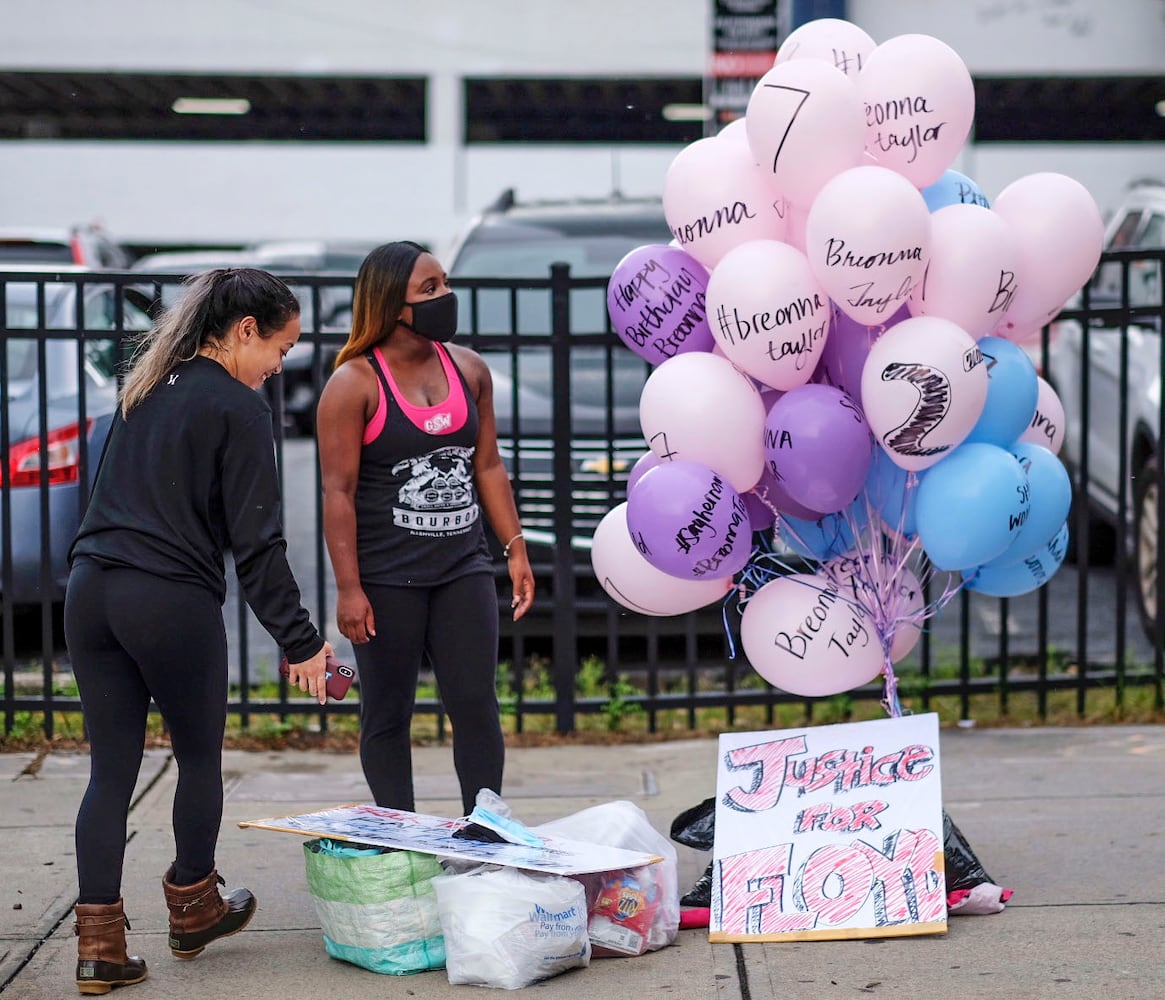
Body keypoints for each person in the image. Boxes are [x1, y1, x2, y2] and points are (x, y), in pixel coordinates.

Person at [65, 268, 334, 995]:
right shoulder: (238, 409)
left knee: (110, 772)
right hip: (167, 600)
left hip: (91, 590)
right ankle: (193, 906)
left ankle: (99, 949)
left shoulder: (149, 384)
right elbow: (258, 544)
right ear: (245, 330)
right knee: (196, 757)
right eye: (280, 347)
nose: (281, 364)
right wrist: (303, 642)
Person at [316, 240, 534, 818]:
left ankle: (486, 831)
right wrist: (349, 588)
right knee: (387, 714)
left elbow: (487, 465)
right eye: (429, 289)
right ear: (391, 306)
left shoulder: (469, 370)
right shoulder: (354, 384)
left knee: (475, 705)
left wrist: (514, 548)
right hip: (386, 580)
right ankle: (402, 837)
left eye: (445, 283)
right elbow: (336, 492)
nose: (446, 297)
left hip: (462, 570)